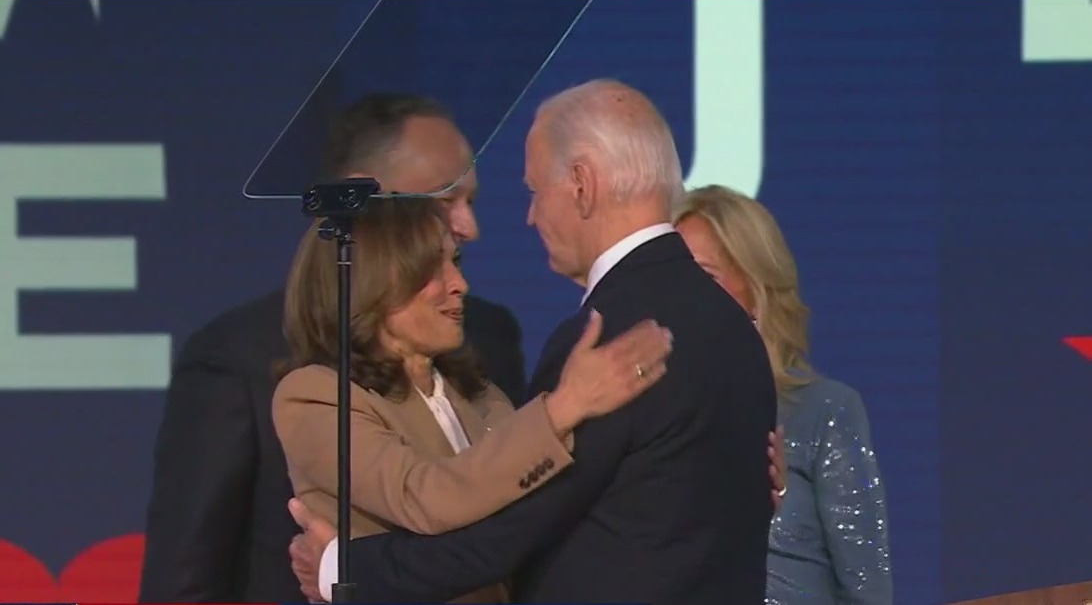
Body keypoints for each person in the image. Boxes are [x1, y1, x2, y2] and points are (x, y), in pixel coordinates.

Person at [287, 78, 778, 605]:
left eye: (534, 190)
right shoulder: (733, 324)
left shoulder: (606, 341)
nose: (530, 216)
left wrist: (342, 568)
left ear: (582, 185)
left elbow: (505, 538)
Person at [138, 93, 531, 603]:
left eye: (470, 202)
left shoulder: (490, 335)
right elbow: (185, 580)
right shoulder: (239, 358)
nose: (468, 227)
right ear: (353, 205)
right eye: (441, 201)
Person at [274, 195, 673, 603]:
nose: (459, 285)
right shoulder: (316, 396)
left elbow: (527, 519)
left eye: (456, 262)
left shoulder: (478, 392)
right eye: (432, 268)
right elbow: (425, 498)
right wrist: (564, 408)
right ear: (369, 283)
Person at [673, 185, 893, 604]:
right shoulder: (647, 419)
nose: (682, 298)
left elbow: (869, 592)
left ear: (756, 289)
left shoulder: (824, 411)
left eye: (705, 277)